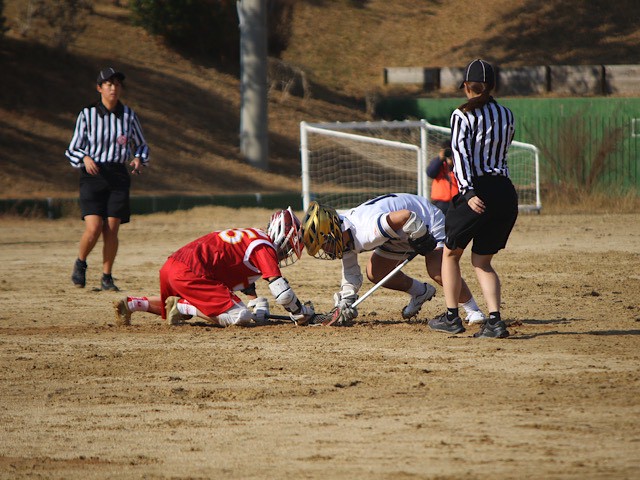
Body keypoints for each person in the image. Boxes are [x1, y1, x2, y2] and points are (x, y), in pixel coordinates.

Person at [428, 59, 518, 339]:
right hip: (505, 192)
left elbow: (460, 155)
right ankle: (495, 321)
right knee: (482, 261)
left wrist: (467, 192)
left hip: (476, 190)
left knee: (450, 254)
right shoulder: (506, 114)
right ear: (492, 86)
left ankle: (452, 316)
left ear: (467, 86)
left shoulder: (462, 115)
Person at [300, 193, 486, 325]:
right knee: (376, 272)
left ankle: (473, 310)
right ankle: (420, 292)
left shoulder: (367, 231)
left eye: (324, 244)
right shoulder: (344, 235)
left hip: (425, 219)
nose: (325, 250)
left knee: (437, 270)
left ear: (332, 233)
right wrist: (346, 301)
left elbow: (405, 216)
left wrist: (421, 237)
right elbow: (350, 273)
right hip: (398, 233)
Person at [112, 208, 316, 327]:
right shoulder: (264, 246)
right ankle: (181, 305)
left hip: (174, 265)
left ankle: (133, 304)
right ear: (282, 236)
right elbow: (282, 293)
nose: (287, 252)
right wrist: (300, 312)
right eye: (289, 247)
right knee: (240, 316)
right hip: (192, 271)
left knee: (196, 308)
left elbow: (241, 274)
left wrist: (255, 302)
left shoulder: (253, 236)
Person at [65, 67, 149, 291]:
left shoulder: (129, 115)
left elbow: (141, 145)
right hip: (93, 175)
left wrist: (138, 158)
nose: (113, 88)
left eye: (117, 84)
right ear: (99, 88)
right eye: (109, 84)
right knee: (94, 227)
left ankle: (107, 276)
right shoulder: (87, 114)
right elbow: (72, 148)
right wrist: (85, 158)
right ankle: (81, 263)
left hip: (118, 175)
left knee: (112, 228)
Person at [426, 138, 459, 215]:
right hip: (439, 202)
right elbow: (430, 173)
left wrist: (454, 162)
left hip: (456, 202)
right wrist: (440, 159)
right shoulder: (439, 164)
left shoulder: (459, 164)